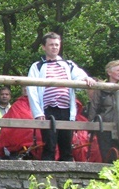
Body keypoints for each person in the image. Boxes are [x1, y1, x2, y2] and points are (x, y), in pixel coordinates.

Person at [27, 32, 96, 161]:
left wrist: (87, 78)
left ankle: (68, 175)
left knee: (66, 145)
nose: (54, 47)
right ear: (44, 47)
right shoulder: (37, 66)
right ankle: (46, 174)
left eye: (57, 45)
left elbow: (79, 75)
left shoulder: (67, 64)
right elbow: (32, 90)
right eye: (51, 44)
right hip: (47, 109)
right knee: (50, 144)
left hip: (66, 109)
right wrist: (38, 113)